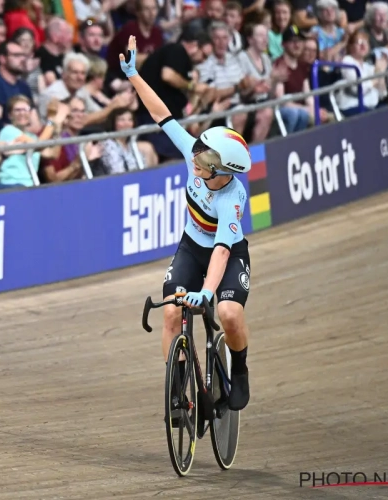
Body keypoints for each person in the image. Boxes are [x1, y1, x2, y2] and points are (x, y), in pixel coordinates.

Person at [119, 35, 253, 417]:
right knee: (170, 313)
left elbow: (223, 252)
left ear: (222, 170)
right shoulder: (195, 153)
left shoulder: (233, 198)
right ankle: (179, 390)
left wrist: (208, 293)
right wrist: (134, 76)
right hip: (192, 247)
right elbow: (163, 114)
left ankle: (239, 369)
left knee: (227, 314)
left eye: (204, 159)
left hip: (225, 257)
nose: (195, 159)